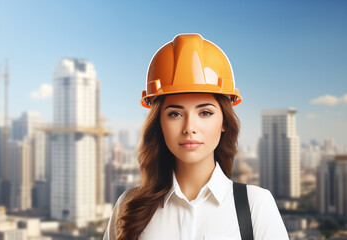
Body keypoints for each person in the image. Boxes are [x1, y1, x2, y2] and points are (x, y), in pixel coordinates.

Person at [103, 34, 288, 240]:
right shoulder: (129, 207)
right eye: (175, 114)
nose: (189, 127)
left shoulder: (255, 205)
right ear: (159, 123)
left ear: (224, 121)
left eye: (205, 113)